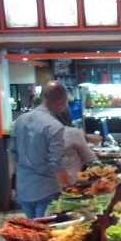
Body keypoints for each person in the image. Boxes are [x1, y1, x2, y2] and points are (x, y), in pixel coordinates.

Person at [10, 80, 70, 219]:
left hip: (23, 189)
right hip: (46, 190)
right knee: (46, 235)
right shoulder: (54, 126)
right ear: (61, 101)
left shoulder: (20, 120)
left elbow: (14, 154)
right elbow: (56, 164)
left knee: (34, 232)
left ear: (43, 97)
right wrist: (69, 187)